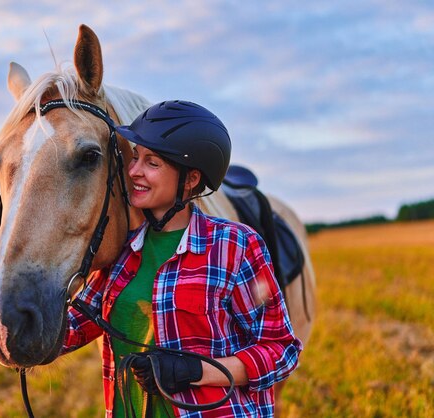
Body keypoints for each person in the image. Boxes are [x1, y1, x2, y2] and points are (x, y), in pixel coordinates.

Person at [61, 100, 302, 417]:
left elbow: (281, 351)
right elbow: (69, 331)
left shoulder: (236, 245)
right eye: (135, 158)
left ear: (190, 179)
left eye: (152, 163)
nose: (133, 171)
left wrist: (196, 371)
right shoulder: (121, 252)